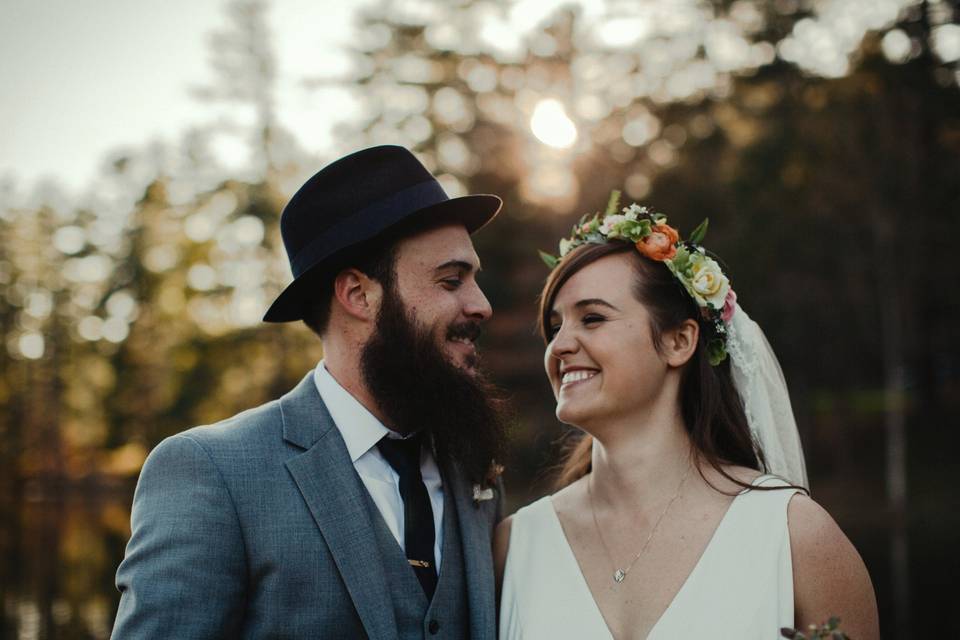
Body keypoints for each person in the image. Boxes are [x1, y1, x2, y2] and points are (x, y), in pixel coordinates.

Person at [112, 145, 510, 639]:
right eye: (452, 281)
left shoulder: (473, 467)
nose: (481, 305)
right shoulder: (211, 472)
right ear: (358, 295)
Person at [494, 196, 879, 639]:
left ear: (679, 341)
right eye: (555, 326)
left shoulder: (794, 536)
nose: (559, 346)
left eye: (593, 318)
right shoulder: (515, 547)